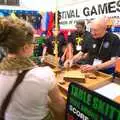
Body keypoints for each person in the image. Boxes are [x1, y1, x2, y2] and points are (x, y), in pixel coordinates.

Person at [0, 17, 65, 120]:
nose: (34, 46)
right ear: (25, 47)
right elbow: (60, 108)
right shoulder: (44, 74)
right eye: (33, 43)